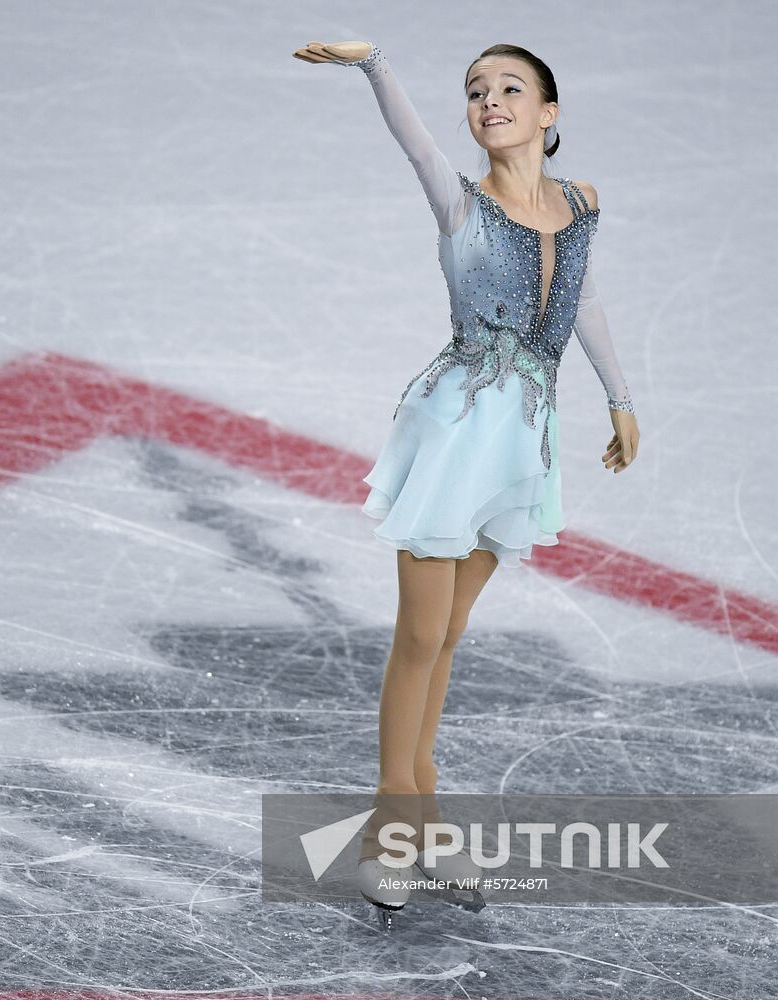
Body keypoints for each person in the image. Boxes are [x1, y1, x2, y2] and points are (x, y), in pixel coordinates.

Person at [292, 39, 641, 924]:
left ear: (548, 112)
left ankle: (427, 823)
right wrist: (374, 68)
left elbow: (586, 301)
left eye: (509, 88)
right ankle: (389, 832)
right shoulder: (460, 203)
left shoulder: (583, 204)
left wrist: (620, 399)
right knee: (417, 638)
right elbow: (414, 144)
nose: (489, 100)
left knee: (446, 636)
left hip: (522, 440)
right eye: (475, 91)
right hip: (451, 435)